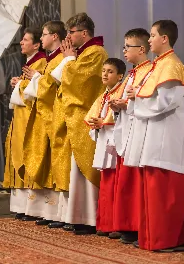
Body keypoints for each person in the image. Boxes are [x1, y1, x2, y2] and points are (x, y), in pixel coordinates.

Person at [128, 20, 184, 251]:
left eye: (153, 35)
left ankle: (167, 239)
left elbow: (165, 102)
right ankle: (151, 238)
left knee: (165, 195)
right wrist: (137, 96)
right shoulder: (160, 65)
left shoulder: (171, 66)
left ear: (164, 38)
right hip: (157, 137)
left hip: (168, 140)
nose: (149, 40)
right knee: (154, 194)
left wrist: (137, 99)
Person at [49, 12, 108, 235]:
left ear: (84, 33)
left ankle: (91, 218)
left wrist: (68, 59)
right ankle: (78, 216)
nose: (68, 37)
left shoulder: (96, 53)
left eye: (71, 33)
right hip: (75, 118)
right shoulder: (81, 53)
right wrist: (69, 59)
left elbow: (79, 83)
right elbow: (61, 79)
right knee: (76, 171)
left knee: (86, 169)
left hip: (87, 117)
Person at [20, 21, 67, 224]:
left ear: (54, 36)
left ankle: (56, 212)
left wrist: (36, 79)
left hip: (55, 116)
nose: (41, 38)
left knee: (53, 163)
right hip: (46, 115)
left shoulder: (58, 60)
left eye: (44, 35)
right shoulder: (51, 59)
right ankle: (47, 211)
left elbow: (52, 86)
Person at [109, 28, 152, 244]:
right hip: (127, 129)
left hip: (141, 131)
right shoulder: (133, 73)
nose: (124, 51)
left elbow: (147, 100)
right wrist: (118, 106)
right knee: (125, 180)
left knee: (134, 182)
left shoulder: (150, 71)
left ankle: (137, 226)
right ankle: (126, 225)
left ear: (142, 49)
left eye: (128, 47)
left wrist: (126, 104)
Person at [3, 27, 47, 219]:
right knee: (16, 153)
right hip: (21, 117)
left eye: (26, 40)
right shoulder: (31, 63)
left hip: (31, 118)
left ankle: (32, 208)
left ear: (36, 44)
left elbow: (38, 90)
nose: (21, 42)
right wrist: (19, 82)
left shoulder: (42, 62)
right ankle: (21, 207)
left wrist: (20, 84)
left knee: (27, 155)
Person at [84, 58, 126, 236]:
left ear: (120, 76)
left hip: (115, 143)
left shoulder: (120, 94)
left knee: (116, 184)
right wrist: (96, 124)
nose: (105, 74)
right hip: (104, 140)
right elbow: (94, 117)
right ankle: (105, 224)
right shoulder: (104, 95)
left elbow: (124, 118)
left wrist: (104, 122)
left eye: (110, 71)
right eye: (104, 71)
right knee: (106, 183)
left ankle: (116, 225)